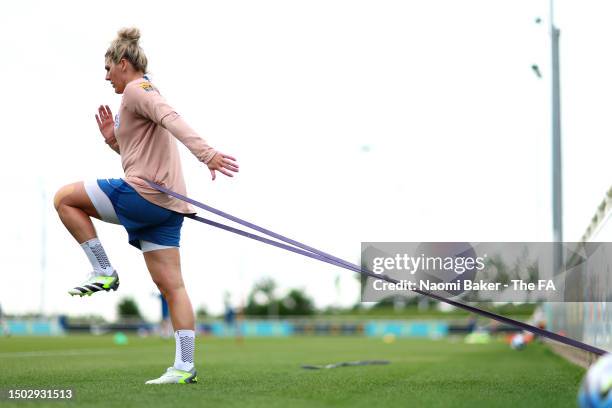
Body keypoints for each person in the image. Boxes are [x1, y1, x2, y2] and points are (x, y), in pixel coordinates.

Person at [53, 27, 239, 384]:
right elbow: (137, 153)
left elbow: (171, 118)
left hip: (143, 196)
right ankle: (184, 368)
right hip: (167, 206)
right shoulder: (136, 97)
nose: (105, 76)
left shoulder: (139, 89)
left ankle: (103, 270)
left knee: (64, 199)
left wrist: (207, 154)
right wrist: (112, 140)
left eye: (108, 68)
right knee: (174, 288)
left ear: (123, 64)